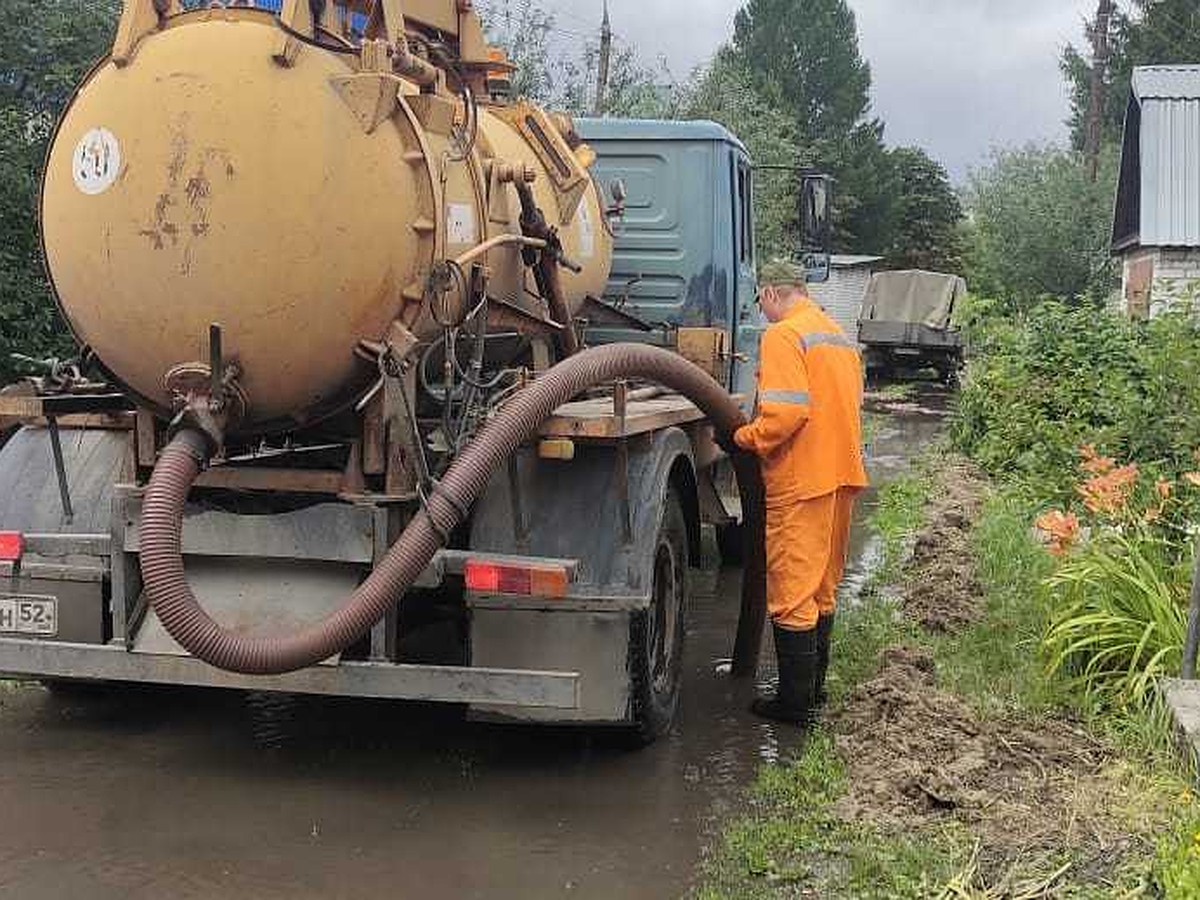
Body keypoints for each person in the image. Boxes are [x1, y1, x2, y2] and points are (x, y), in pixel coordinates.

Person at [733, 258, 868, 724]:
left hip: (802, 479)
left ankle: (792, 706)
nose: (761, 312)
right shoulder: (835, 334)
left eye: (760, 302)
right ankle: (813, 692)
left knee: (792, 589)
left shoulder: (784, 335)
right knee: (822, 588)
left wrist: (744, 437)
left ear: (771, 293)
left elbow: (785, 415)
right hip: (841, 475)